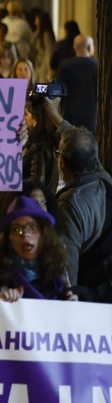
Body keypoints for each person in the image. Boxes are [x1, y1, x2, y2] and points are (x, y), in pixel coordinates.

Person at [0, 196, 76, 301]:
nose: (25, 235)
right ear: (8, 238)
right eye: (17, 229)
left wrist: (70, 305)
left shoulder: (56, 273)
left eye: (32, 227)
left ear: (44, 234)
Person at [52, 123, 112, 300]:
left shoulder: (69, 205)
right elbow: (84, 145)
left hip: (96, 299)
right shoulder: (105, 180)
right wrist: (52, 114)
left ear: (61, 161)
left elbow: (68, 269)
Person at [56, 35, 98, 132]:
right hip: (92, 115)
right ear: (89, 47)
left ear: (74, 47)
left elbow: (58, 91)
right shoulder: (97, 66)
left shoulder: (65, 66)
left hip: (70, 115)